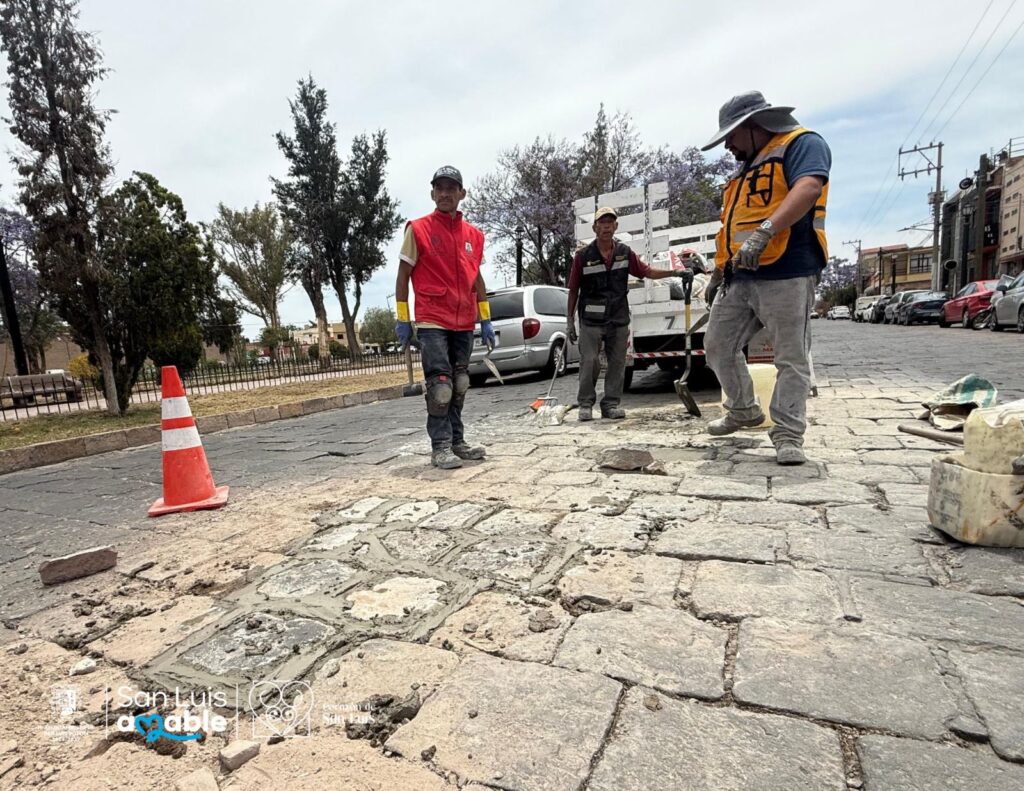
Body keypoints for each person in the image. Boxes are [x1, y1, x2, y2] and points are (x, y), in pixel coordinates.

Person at [700, 91, 831, 465]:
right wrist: (719, 272)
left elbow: (808, 187)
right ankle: (742, 409)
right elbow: (731, 228)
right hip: (739, 277)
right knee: (717, 345)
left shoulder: (802, 144)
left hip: (788, 270)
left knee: (790, 357)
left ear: (753, 127)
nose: (728, 144)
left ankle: (789, 434)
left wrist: (766, 231)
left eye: (731, 135)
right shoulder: (744, 171)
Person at [394, 166, 495, 469]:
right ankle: (440, 447)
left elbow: (476, 279)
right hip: (432, 318)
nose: (445, 193)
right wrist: (403, 318)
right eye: (440, 188)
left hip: (463, 320)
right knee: (441, 386)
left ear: (462, 193)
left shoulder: (474, 237)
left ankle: (457, 441)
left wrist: (485, 317)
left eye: (452, 188)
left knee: (460, 383)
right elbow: (402, 276)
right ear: (432, 193)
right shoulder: (419, 229)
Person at [566, 207, 683, 421]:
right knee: (590, 361)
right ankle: (585, 404)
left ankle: (610, 404)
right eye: (602, 223)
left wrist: (675, 272)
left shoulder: (624, 252)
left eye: (610, 222)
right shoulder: (582, 256)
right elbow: (573, 289)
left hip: (618, 317)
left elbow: (646, 272)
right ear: (595, 227)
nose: (606, 226)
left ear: (615, 227)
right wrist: (569, 322)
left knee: (618, 362)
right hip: (591, 319)